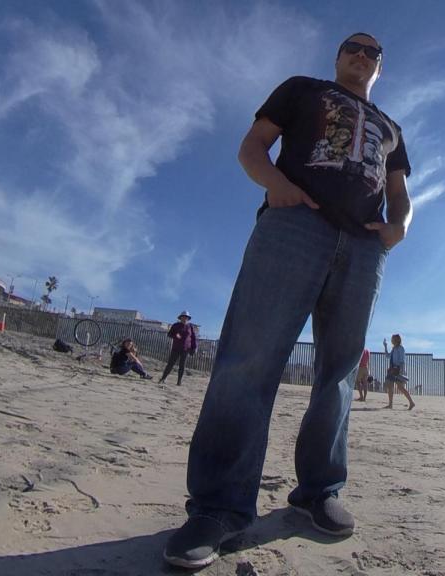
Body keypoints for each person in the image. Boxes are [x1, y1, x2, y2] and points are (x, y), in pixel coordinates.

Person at [164, 32, 412, 570]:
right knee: (249, 359)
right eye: (353, 47)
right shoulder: (303, 89)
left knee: (339, 371)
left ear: (380, 67)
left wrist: (398, 229)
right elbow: (252, 147)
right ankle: (218, 508)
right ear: (338, 56)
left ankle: (319, 491)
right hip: (294, 225)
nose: (362, 55)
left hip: (364, 247)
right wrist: (275, 185)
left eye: (373, 52)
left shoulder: (391, 128)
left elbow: (398, 193)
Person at [159, 311, 198, 386]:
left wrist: (194, 347)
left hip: (186, 349)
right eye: (183, 317)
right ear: (180, 318)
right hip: (176, 348)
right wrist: (175, 335)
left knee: (182, 365)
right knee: (170, 364)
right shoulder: (175, 325)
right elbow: (169, 334)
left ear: (188, 318)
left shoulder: (190, 326)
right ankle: (163, 378)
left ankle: (179, 381)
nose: (185, 318)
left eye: (186, 317)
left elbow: (193, 338)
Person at [383, 334, 415, 410]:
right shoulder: (394, 348)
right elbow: (387, 356)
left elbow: (402, 361)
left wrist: (400, 371)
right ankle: (390, 404)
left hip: (398, 370)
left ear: (396, 340)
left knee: (400, 387)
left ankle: (411, 402)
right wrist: (385, 346)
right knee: (390, 385)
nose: (391, 340)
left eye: (393, 339)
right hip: (392, 369)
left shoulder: (401, 348)